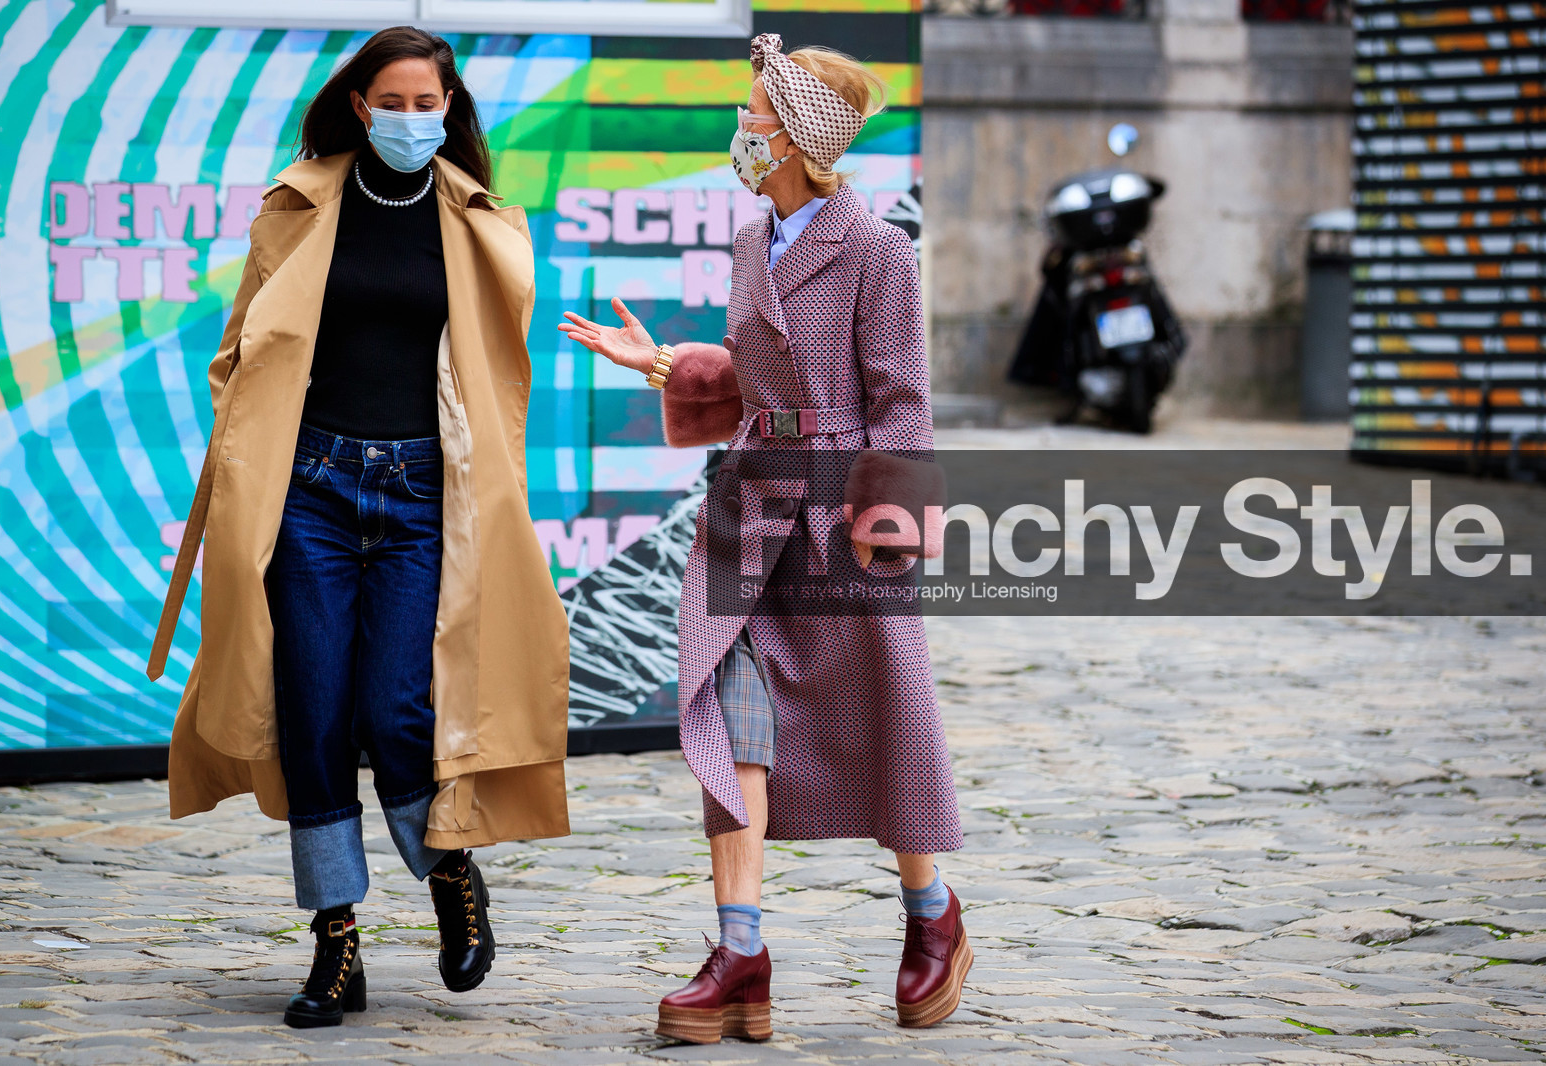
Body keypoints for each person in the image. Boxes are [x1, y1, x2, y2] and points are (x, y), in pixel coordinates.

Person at [147, 26, 570, 1029]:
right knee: (313, 710)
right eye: (395, 102)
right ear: (357, 104)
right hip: (313, 491)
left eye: (430, 106)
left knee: (395, 709)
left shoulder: (481, 222)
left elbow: (493, 376)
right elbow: (238, 348)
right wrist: (253, 452)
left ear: (451, 110)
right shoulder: (296, 207)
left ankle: (448, 871)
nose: (411, 122)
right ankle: (336, 940)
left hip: (427, 493)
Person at [559, 33, 969, 1044]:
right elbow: (757, 380)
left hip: (843, 513)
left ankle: (932, 914)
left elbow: (902, 404)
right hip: (751, 508)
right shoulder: (755, 240)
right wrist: (658, 363)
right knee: (728, 712)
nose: (737, 129)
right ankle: (739, 951)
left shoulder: (877, 248)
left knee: (886, 717)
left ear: (790, 138)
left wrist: (888, 543)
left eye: (751, 116)